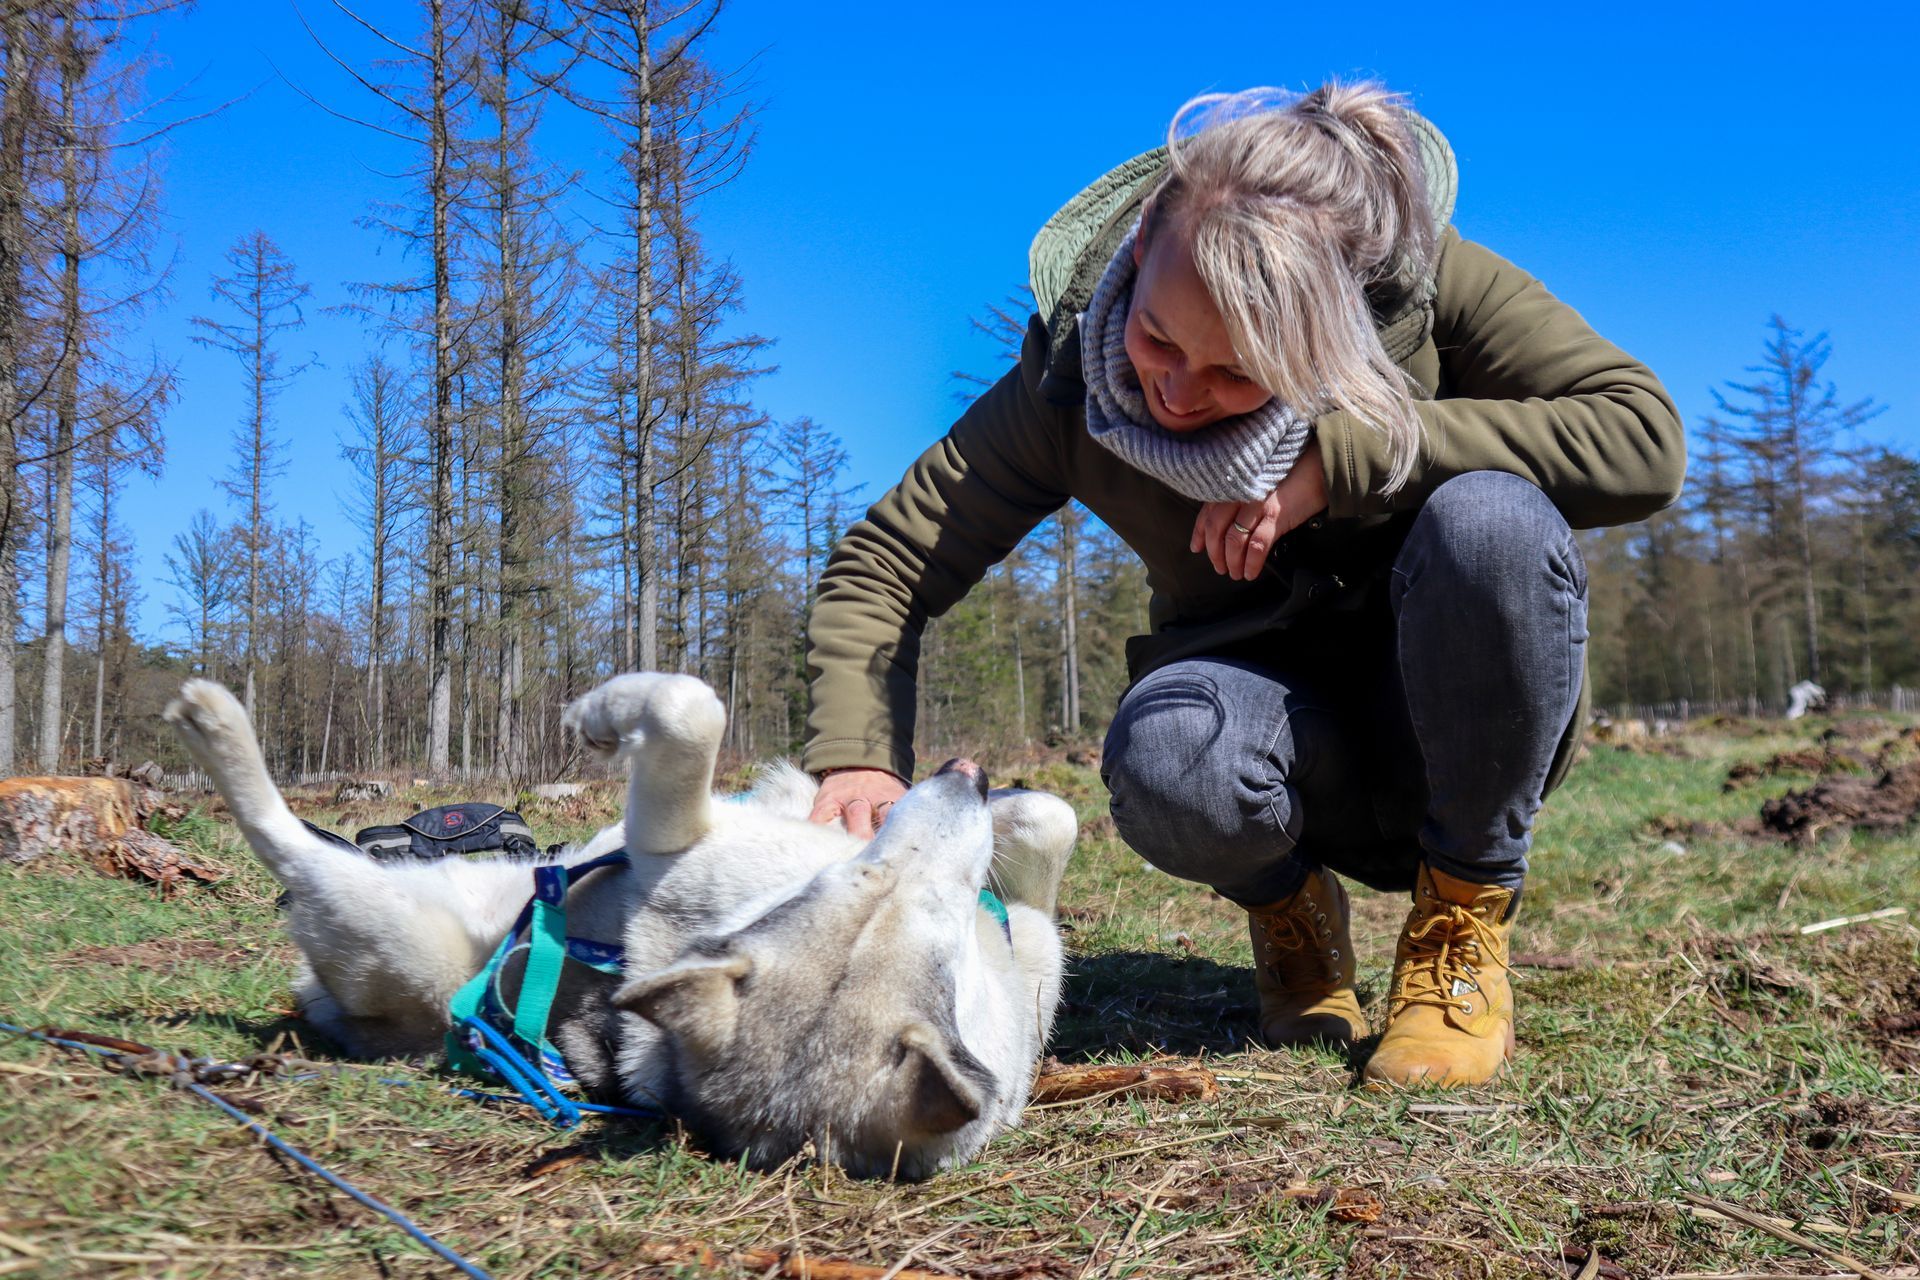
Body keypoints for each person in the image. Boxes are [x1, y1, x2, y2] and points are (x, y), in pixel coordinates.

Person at [800, 82, 1683, 1088]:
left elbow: (1643, 437)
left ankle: (1462, 916)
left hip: (1456, 720)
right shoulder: (1069, 383)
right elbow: (887, 562)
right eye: (1162, 339)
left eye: (1238, 372)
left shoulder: (1427, 285)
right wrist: (858, 758)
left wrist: (1346, 459)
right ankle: (1292, 911)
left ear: (1334, 335)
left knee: (1492, 522)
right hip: (1251, 734)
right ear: (1138, 255)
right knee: (1169, 748)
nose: (1175, 392)